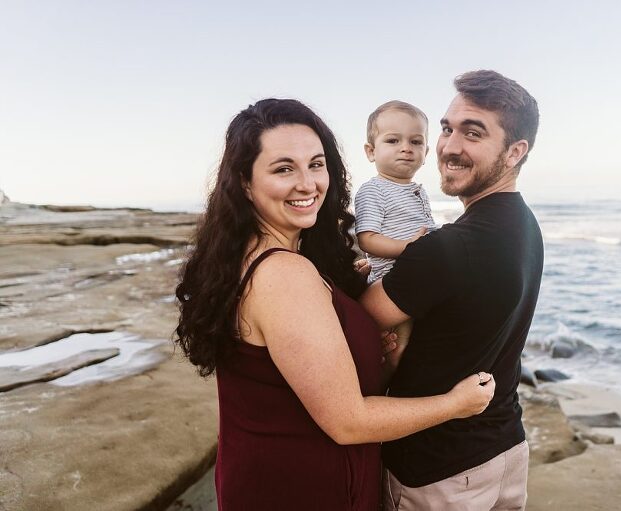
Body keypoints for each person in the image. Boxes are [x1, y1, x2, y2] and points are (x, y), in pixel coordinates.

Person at [173, 98, 496, 511]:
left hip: (266, 476)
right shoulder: (284, 275)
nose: (308, 184)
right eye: (283, 168)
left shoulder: (250, 257)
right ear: (245, 181)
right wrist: (456, 404)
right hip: (304, 489)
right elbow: (348, 422)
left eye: (316, 164)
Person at [360, 70, 543, 511]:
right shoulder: (526, 227)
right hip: (505, 450)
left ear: (515, 151)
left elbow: (359, 320)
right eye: (446, 129)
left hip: (438, 470)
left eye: (473, 133)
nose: (449, 146)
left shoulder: (449, 247)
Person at [354, 100, 437, 380]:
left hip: (421, 278)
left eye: (416, 141)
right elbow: (367, 239)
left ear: (426, 152)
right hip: (392, 281)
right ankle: (381, 392)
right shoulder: (373, 190)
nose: (406, 148)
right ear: (371, 151)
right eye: (393, 140)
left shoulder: (418, 191)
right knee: (397, 351)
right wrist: (409, 250)